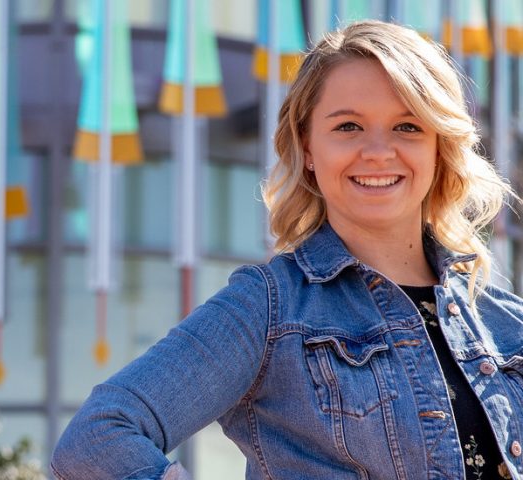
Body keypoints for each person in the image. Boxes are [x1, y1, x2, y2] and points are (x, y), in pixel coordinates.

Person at [51, 20, 523, 480]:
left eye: (408, 127)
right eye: (349, 127)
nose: (379, 151)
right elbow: (96, 440)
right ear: (308, 148)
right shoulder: (269, 308)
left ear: (439, 147)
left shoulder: (507, 322)